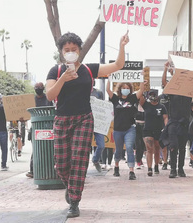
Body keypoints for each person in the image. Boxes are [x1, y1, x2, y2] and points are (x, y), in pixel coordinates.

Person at [45, 31, 129, 218]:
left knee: (79, 159)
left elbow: (117, 65)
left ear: (80, 50)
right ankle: (71, 186)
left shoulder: (89, 69)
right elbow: (50, 95)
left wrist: (122, 46)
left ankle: (74, 201)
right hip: (62, 119)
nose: (70, 52)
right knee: (61, 164)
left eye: (74, 49)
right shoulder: (56, 71)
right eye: (66, 50)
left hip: (84, 118)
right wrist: (63, 78)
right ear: (61, 52)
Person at [106, 79, 145, 180]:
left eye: (127, 88)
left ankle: (131, 171)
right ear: (120, 89)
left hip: (130, 128)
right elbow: (108, 90)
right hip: (118, 129)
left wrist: (141, 79)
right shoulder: (115, 98)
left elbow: (141, 90)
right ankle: (116, 166)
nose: (125, 90)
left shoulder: (132, 98)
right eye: (124, 88)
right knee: (118, 149)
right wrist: (109, 79)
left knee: (129, 148)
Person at [160, 61, 192, 178]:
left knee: (182, 147)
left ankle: (181, 169)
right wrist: (166, 70)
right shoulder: (173, 91)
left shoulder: (189, 92)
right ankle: (172, 169)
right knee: (173, 145)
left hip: (184, 123)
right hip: (173, 122)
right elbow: (164, 83)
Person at [26, 82, 53, 178]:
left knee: (48, 148)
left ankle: (49, 169)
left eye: (40, 87)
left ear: (43, 88)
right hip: (36, 127)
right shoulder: (32, 100)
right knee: (36, 149)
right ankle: (33, 170)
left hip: (47, 126)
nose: (38, 89)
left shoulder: (48, 99)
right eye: (36, 87)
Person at [140, 91, 168, 176]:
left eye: (154, 95)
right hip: (147, 130)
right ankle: (149, 168)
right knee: (149, 148)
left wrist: (166, 128)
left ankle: (156, 165)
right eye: (151, 95)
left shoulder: (161, 107)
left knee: (157, 149)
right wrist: (143, 86)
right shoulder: (146, 105)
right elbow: (140, 97)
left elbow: (165, 117)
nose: (153, 97)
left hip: (158, 130)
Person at [90, 84, 105, 172]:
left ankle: (95, 160)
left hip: (99, 122)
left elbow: (103, 105)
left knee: (101, 145)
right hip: (86, 120)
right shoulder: (82, 91)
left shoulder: (99, 93)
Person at [135, 101, 146, 169]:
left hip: (144, 126)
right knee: (137, 144)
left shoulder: (146, 106)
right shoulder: (134, 106)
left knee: (142, 144)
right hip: (136, 126)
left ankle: (140, 159)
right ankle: (138, 161)